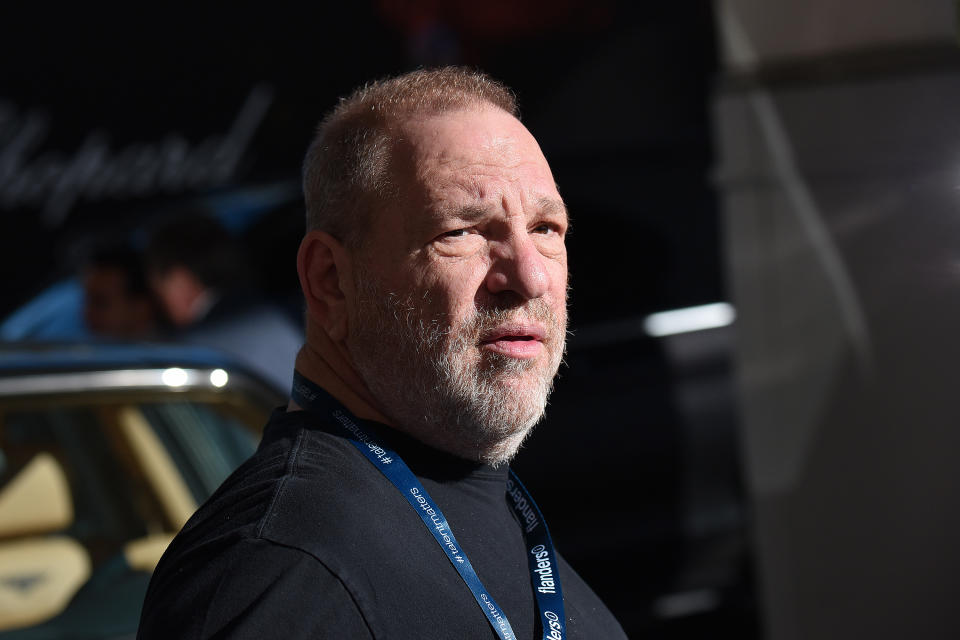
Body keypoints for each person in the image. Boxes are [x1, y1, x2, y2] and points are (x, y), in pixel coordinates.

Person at [137, 67, 627, 639]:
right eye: (461, 231)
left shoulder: (493, 515)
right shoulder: (282, 571)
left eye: (546, 227)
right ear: (330, 281)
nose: (530, 276)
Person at [143, 212, 303, 392]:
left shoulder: (193, 350)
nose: (159, 302)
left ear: (179, 280)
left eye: (158, 287)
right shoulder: (287, 310)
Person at [81, 239, 159, 338]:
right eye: (87, 301)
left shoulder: (175, 350)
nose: (87, 314)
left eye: (101, 303)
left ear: (141, 309)